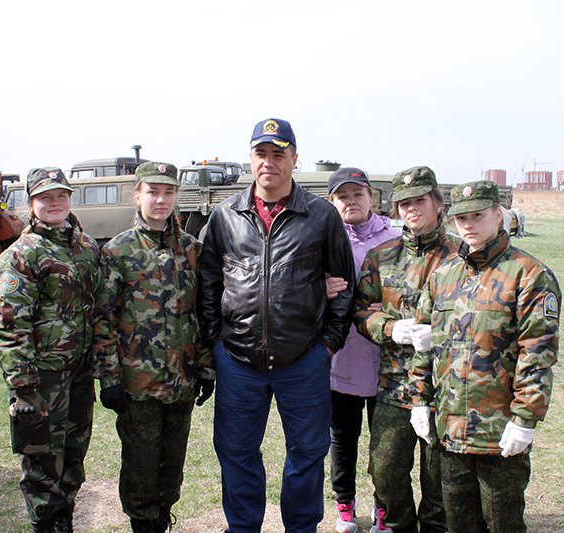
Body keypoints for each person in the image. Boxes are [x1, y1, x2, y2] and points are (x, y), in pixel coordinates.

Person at [197, 118, 355, 533]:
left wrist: (330, 344)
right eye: (261, 154)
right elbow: (209, 283)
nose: (270, 162)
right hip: (238, 360)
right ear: (251, 159)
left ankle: (301, 528)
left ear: (294, 159)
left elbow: (344, 283)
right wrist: (216, 342)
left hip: (303, 360)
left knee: (307, 453)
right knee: (236, 452)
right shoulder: (225, 216)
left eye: (279, 154)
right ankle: (243, 527)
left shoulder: (320, 216)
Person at [409, 180, 561, 533]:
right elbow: (423, 342)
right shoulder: (444, 276)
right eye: (462, 218)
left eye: (478, 216)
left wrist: (526, 418)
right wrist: (420, 400)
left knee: (502, 522)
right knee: (458, 523)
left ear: (498, 215)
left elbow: (537, 352)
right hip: (451, 429)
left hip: (499, 430)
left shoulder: (529, 275)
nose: (468, 226)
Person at [92, 162, 214, 533]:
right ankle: (143, 524)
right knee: (141, 463)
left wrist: (206, 366)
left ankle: (163, 519)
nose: (161, 200)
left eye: (168, 193)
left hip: (181, 379)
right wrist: (109, 377)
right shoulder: (118, 250)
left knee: (172, 462)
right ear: (138, 195)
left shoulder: (192, 249)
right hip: (137, 383)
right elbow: (103, 317)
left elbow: (203, 312)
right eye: (153, 192)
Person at [0, 167, 100, 533]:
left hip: (80, 374)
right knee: (41, 463)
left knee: (72, 457)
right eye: (45, 198)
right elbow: (9, 326)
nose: (55, 203)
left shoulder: (86, 249)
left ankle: (64, 519)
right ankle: (44, 523)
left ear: (70, 199)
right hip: (41, 380)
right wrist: (23, 387)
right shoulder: (21, 256)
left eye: (61, 196)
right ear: (31, 203)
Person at [354, 166, 455, 533]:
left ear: (438, 203)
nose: (413, 209)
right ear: (396, 210)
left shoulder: (461, 255)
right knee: (385, 470)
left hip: (448, 388)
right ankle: (396, 526)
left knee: (440, 478)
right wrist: (392, 328)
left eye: (420, 201)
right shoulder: (381, 257)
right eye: (405, 203)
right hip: (395, 386)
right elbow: (360, 312)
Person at [326, 167, 400, 533]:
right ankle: (344, 505)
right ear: (332, 202)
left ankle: (384, 506)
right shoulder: (323, 238)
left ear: (372, 197)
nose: (351, 201)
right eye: (343, 196)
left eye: (358, 194)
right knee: (343, 435)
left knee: (385, 441)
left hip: (389, 358)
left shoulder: (397, 237)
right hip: (343, 356)